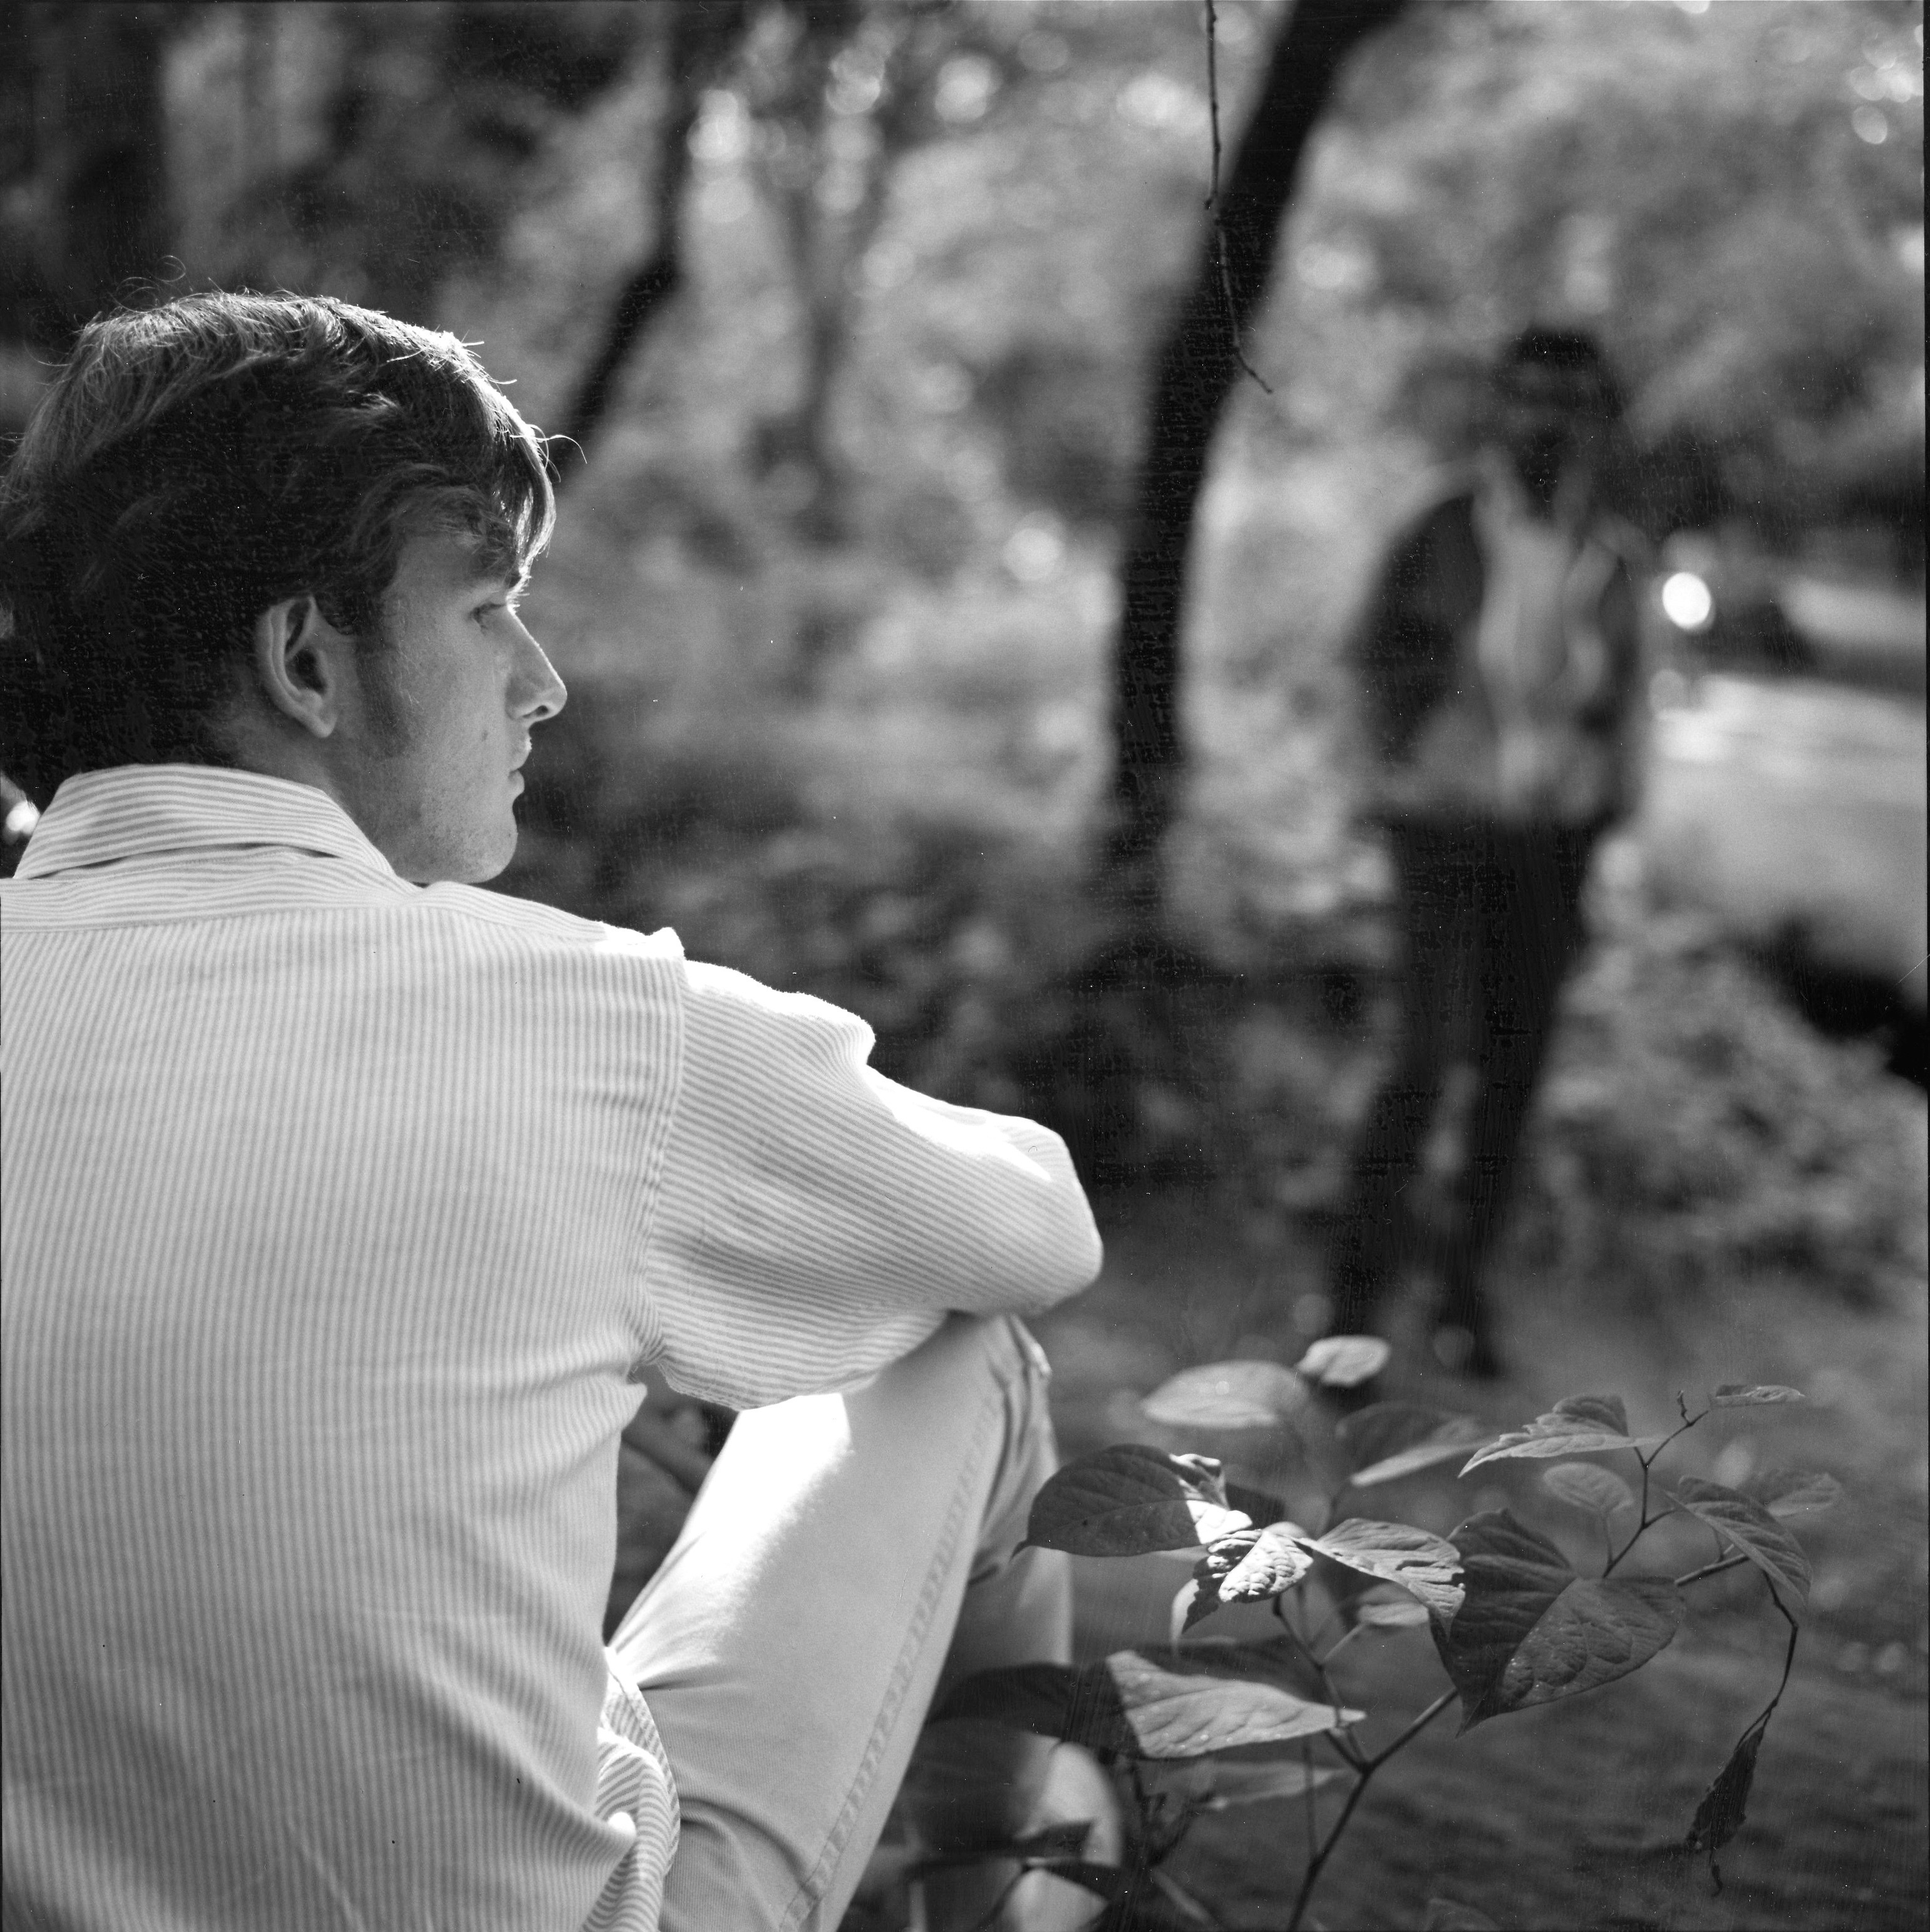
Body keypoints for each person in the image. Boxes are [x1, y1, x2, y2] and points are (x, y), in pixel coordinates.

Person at [0, 293, 1108, 1931]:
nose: (544, 682)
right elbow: (1040, 1231)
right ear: (306, 659)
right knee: (968, 1348)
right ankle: (993, 1893)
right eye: (488, 608)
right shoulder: (583, 1024)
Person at [1328, 326, 1646, 1378]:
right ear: (1498, 406)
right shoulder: (1438, 526)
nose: (1545, 420)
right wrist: (1377, 777)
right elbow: (1365, 659)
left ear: (1594, 418)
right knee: (1418, 1065)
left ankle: (1460, 1295)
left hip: (1549, 848)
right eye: (1528, 396)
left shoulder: (1611, 549)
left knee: (1512, 1074)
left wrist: (1611, 813)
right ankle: (1349, 1311)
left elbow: (1627, 701)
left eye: (1569, 401)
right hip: (1439, 831)